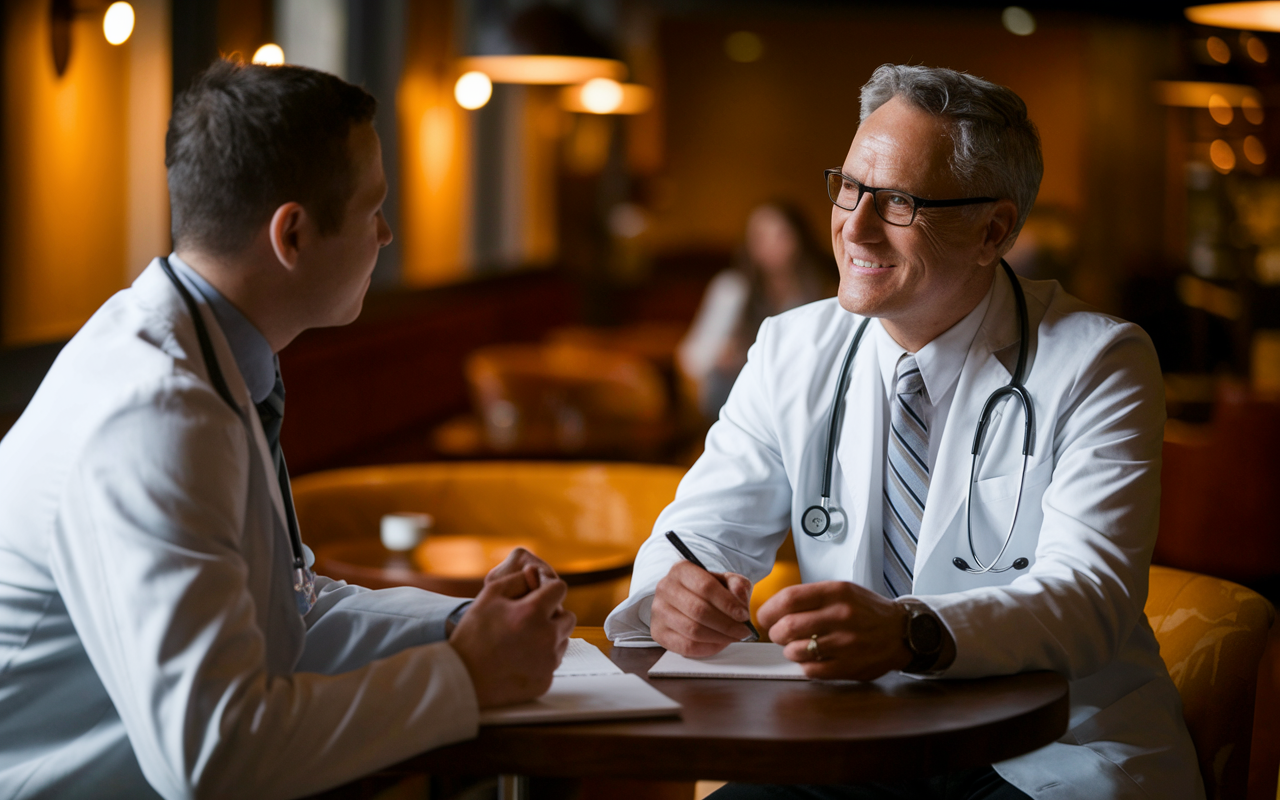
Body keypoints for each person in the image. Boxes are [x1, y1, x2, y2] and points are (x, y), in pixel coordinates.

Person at [606, 65, 1203, 800]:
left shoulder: (1100, 360)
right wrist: (676, 591)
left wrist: (911, 631)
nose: (852, 226)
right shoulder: (790, 348)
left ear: (993, 231)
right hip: (851, 738)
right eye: (850, 186)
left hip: (1048, 743)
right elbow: (699, 534)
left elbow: (1088, 597)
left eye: (898, 202)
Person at [0, 60, 574, 799]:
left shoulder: (206, 354)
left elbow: (287, 608)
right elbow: (213, 755)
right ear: (293, 233)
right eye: (373, 209)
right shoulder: (154, 412)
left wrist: (466, 626)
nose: (387, 233)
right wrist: (465, 676)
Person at [677, 202, 837, 419]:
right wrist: (720, 355)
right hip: (743, 399)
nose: (771, 245)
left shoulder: (824, 291)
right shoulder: (732, 289)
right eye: (761, 236)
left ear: (800, 237)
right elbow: (692, 357)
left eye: (781, 235)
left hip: (805, 400)